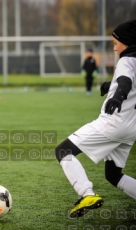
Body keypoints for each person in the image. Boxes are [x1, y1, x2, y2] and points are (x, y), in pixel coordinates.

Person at [55, 19, 136, 218]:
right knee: (113, 175)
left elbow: (126, 81)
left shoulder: (126, 60)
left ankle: (87, 195)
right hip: (131, 128)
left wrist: (118, 95)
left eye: (116, 43)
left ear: (127, 42)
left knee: (63, 150)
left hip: (113, 123)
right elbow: (128, 81)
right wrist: (111, 86)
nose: (115, 48)